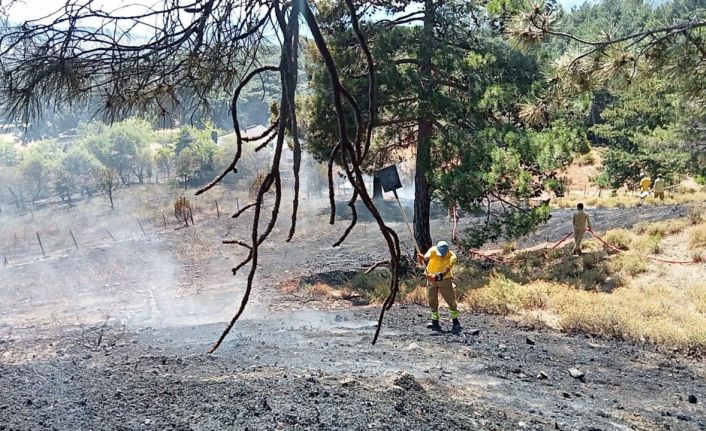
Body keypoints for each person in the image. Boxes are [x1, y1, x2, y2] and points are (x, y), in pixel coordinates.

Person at [417, 240, 461, 334]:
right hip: (430, 278)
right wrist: (421, 259)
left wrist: (436, 277)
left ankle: (455, 322)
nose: (441, 255)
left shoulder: (452, 257)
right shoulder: (433, 250)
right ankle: (435, 321)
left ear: (448, 251)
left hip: (445, 280)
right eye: (439, 253)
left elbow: (446, 271)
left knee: (450, 300)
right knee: (432, 300)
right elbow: (425, 258)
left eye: (443, 254)